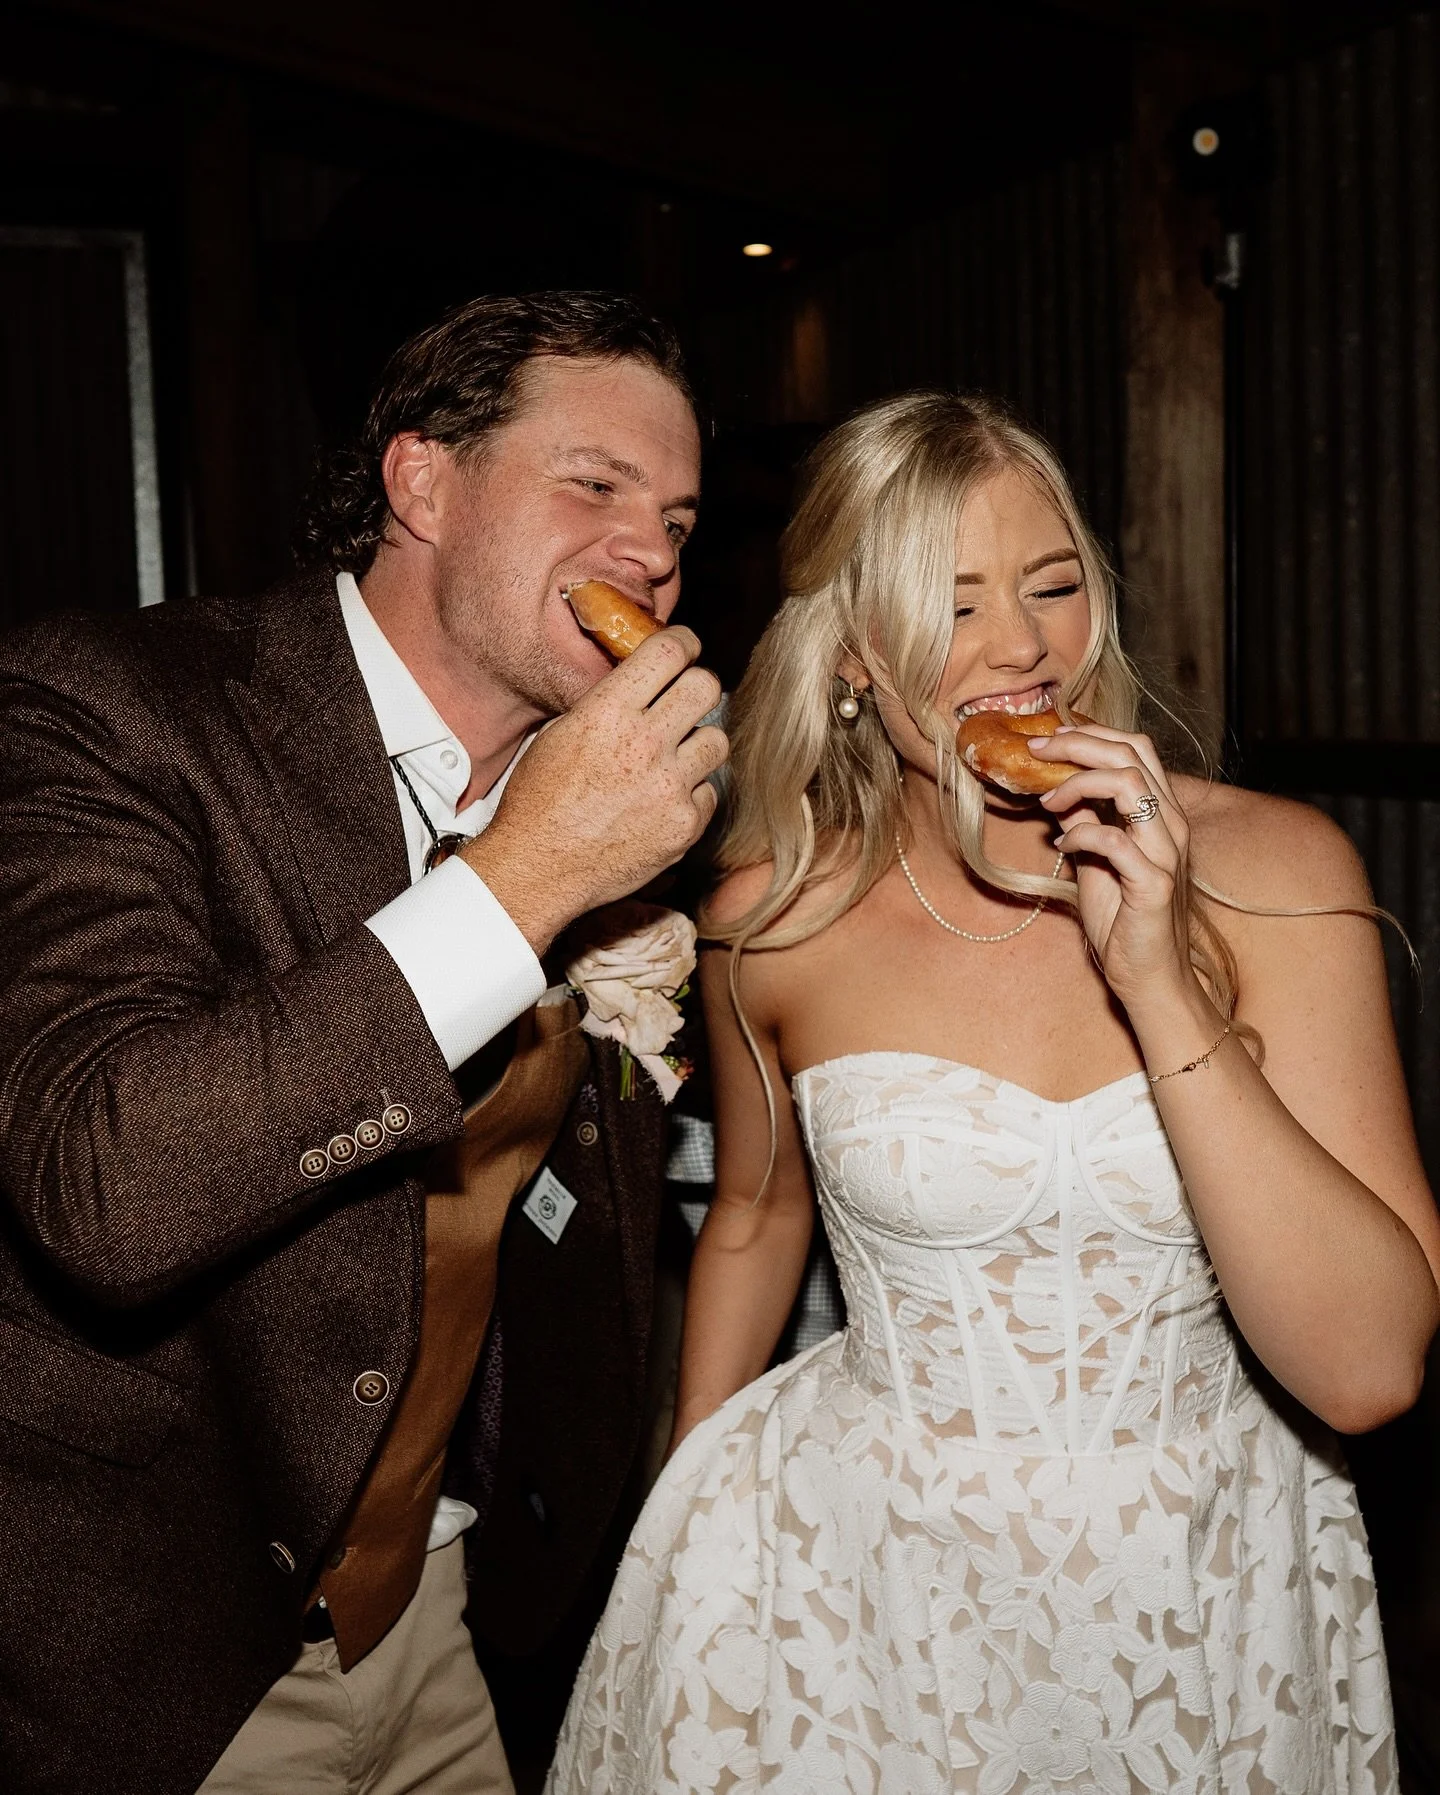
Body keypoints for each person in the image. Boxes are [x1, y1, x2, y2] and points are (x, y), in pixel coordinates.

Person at [546, 391, 1440, 1794]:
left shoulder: (1280, 871)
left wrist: (1156, 972)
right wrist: (684, 1525)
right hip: (866, 1586)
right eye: (950, 605)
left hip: (1206, 1570)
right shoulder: (769, 919)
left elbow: (1371, 1368)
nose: (1023, 646)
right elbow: (756, 1216)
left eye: (1053, 584)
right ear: (850, 658)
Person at [0, 290, 726, 1795]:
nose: (650, 552)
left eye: (676, 515)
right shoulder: (108, 703)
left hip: (445, 1619)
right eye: (594, 484)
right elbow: (104, 1179)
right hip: (166, 1659)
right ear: (422, 483)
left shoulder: (623, 814)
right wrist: (525, 878)